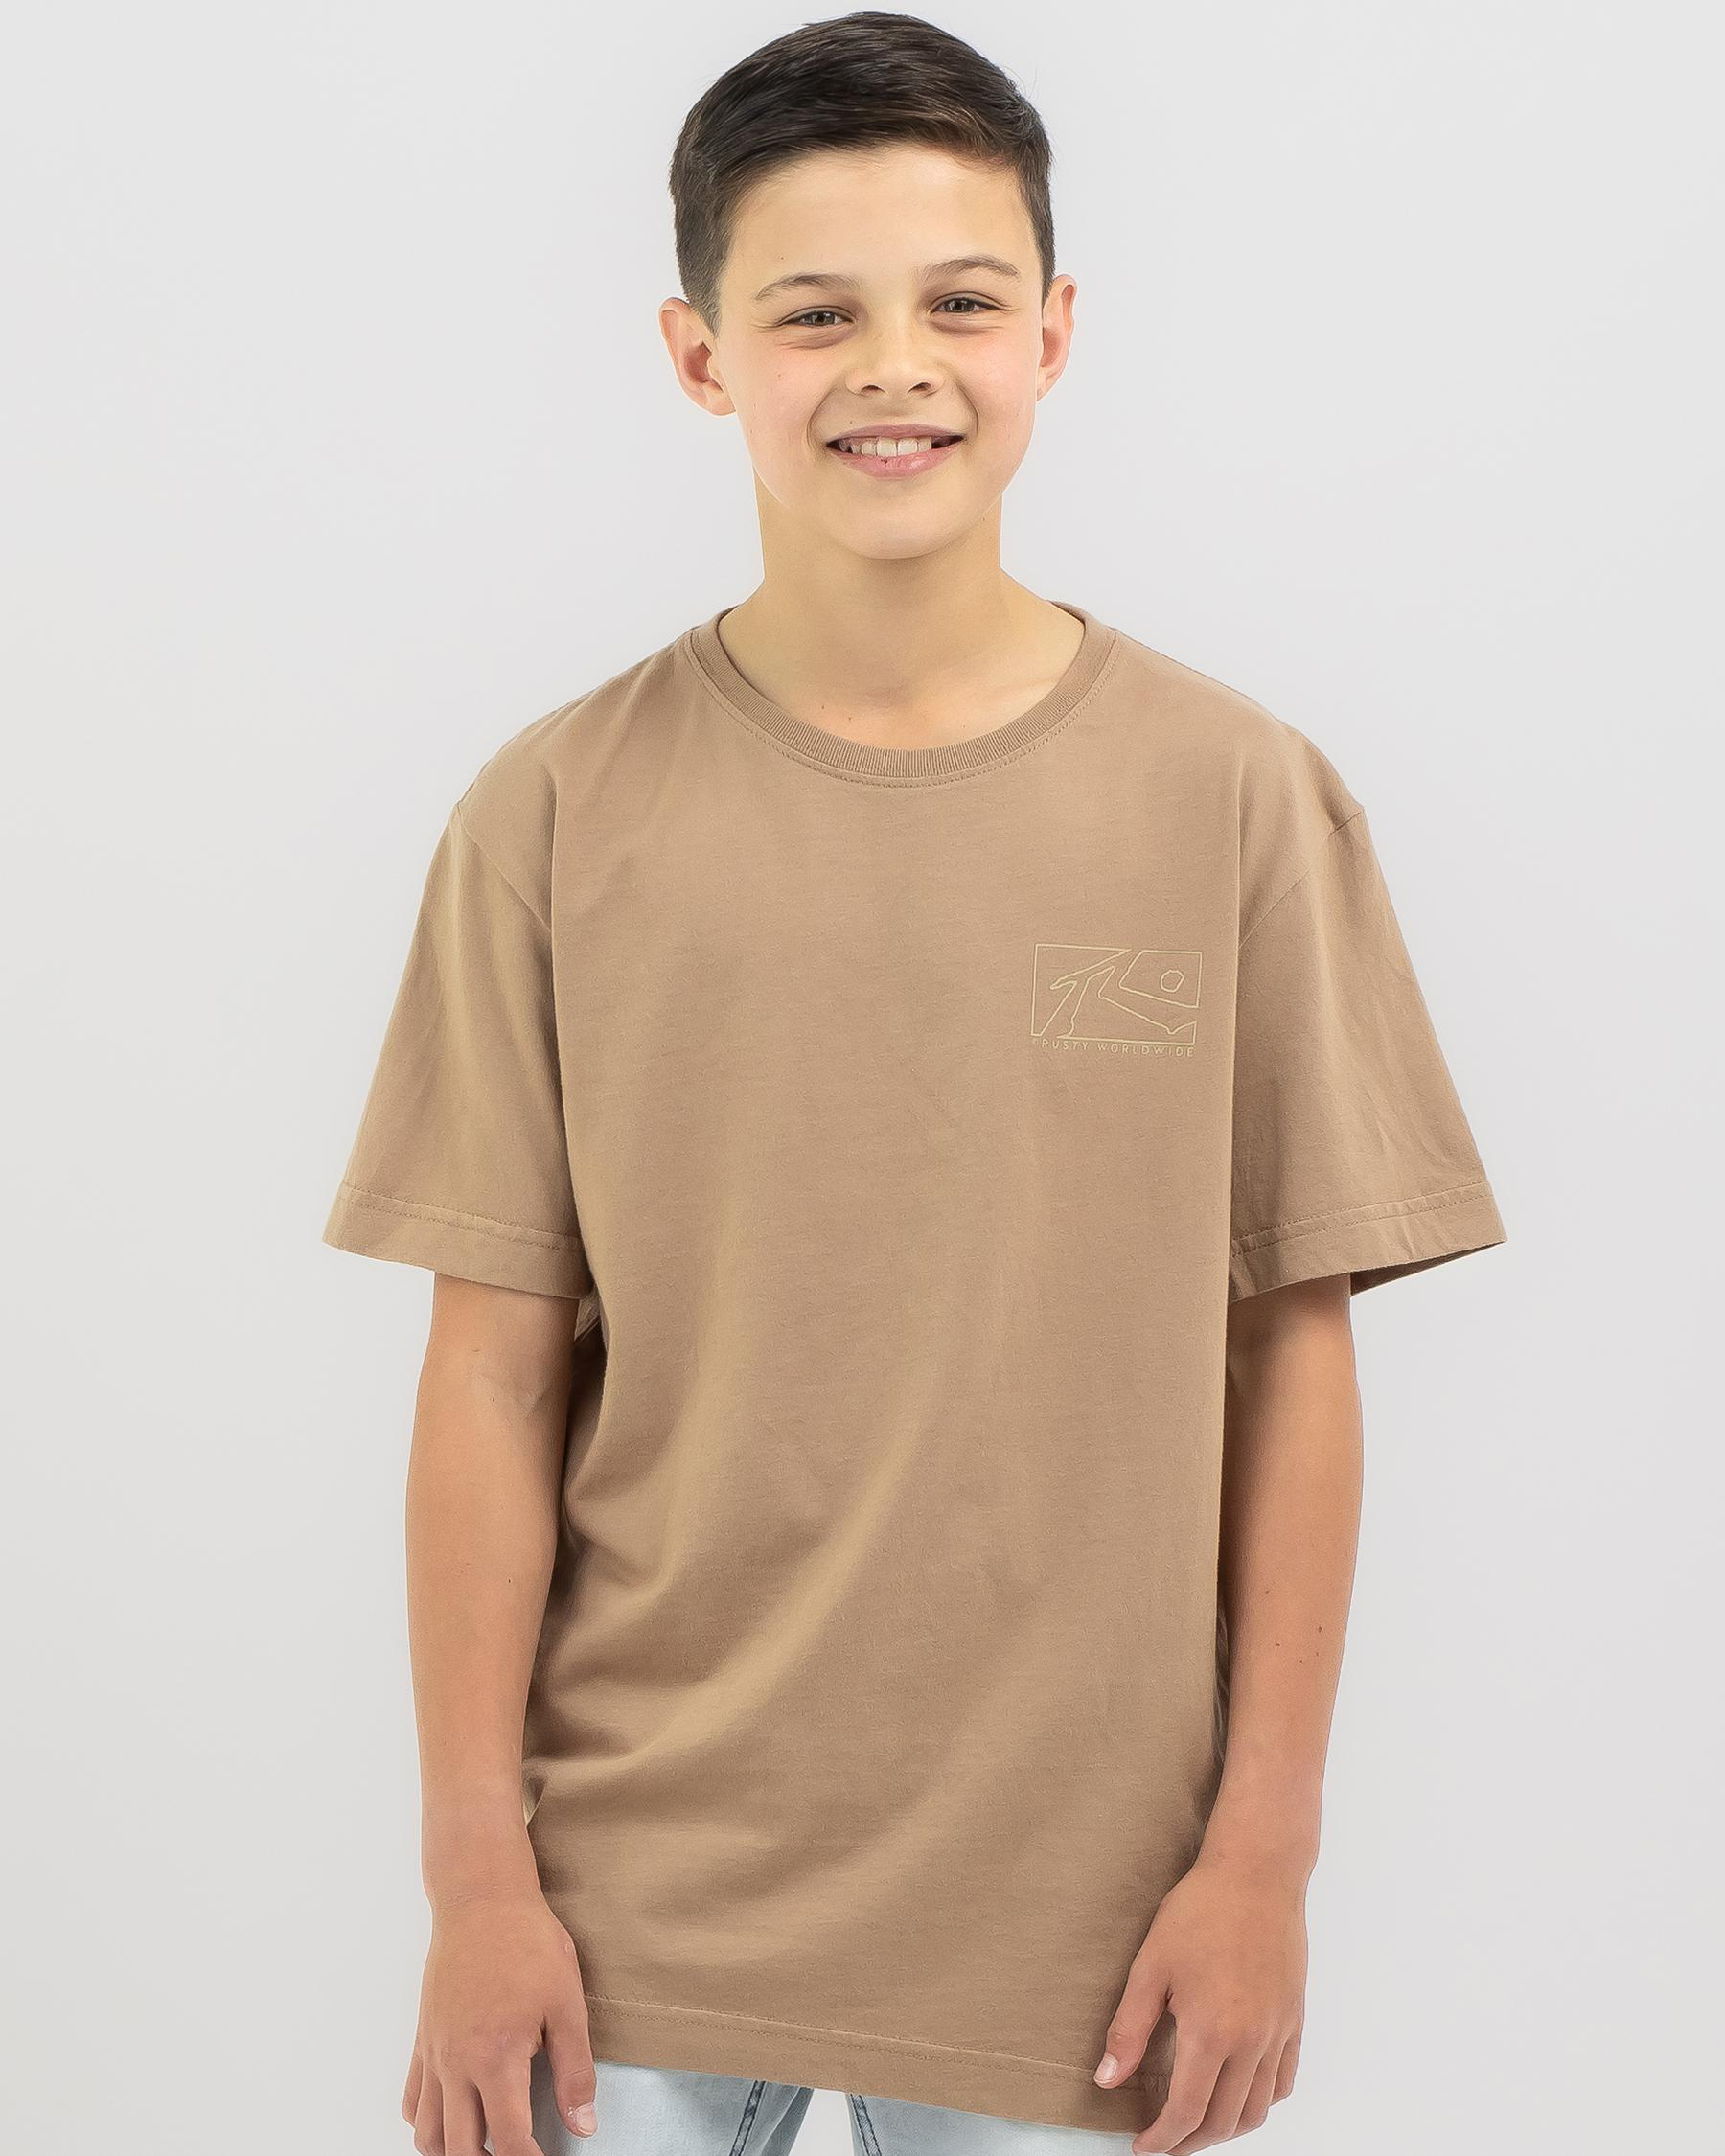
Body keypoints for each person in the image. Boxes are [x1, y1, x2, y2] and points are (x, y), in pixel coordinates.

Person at [321, 13, 1507, 2155]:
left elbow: (1293, 1354)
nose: (898, 368)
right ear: (700, 357)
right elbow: (488, 1372)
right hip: (625, 1903)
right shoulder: (553, 815)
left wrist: (1265, 1858)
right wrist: (473, 1881)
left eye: (962, 302)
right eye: (815, 313)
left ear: (1054, 332)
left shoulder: (1236, 798)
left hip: (1084, 1926)